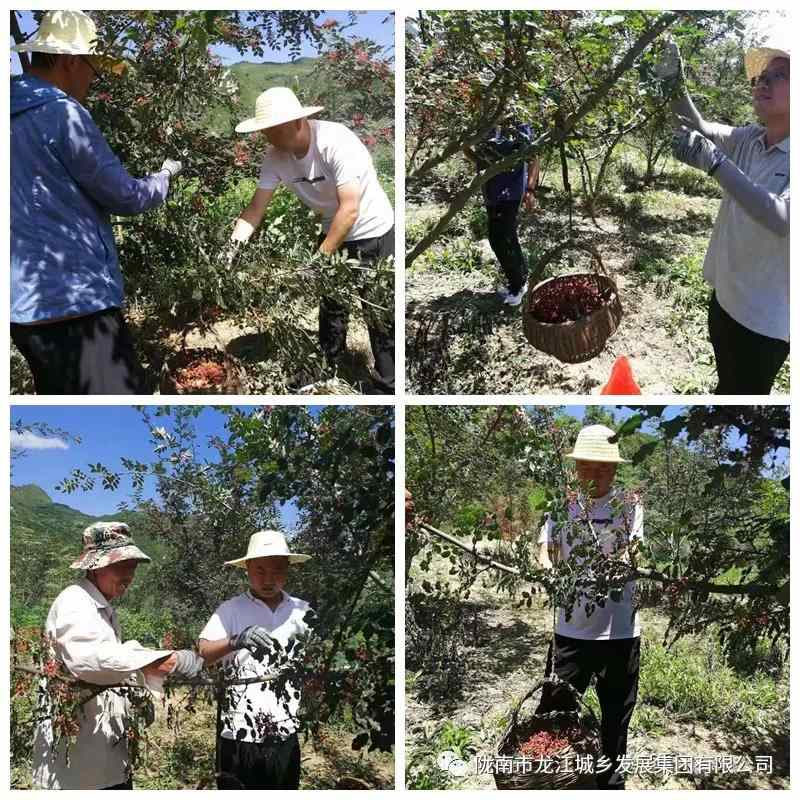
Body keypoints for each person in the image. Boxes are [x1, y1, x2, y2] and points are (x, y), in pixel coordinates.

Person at [10, 10, 183, 395]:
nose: (95, 76)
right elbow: (126, 196)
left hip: (23, 309)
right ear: (71, 61)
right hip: (78, 304)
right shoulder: (62, 114)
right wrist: (165, 176)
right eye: (93, 65)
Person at [228, 86, 395, 393]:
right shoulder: (275, 157)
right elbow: (255, 209)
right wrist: (232, 248)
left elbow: (351, 208)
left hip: (372, 229)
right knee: (332, 304)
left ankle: (388, 384)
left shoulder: (335, 141)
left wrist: (317, 261)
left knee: (379, 310)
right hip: (334, 226)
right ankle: (327, 365)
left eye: (274, 130)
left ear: (296, 122)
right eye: (265, 131)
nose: (269, 137)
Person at [656, 39, 789, 394]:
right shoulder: (750, 138)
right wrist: (673, 84)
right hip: (725, 299)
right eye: (761, 77)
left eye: (779, 76)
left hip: (764, 322)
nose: (762, 83)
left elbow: (782, 218)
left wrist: (715, 163)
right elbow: (696, 126)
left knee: (744, 395)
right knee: (726, 385)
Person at [32, 522, 205, 789]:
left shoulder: (102, 609)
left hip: (104, 759)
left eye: (132, 567)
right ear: (95, 566)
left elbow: (112, 656)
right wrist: (164, 660)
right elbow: (91, 660)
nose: (128, 576)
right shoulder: (74, 602)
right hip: (78, 770)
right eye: (120, 566)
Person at [536, 425, 643, 790]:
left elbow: (635, 551)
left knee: (616, 714)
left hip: (620, 630)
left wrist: (617, 569)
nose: (595, 473)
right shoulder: (560, 506)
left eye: (604, 466)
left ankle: (609, 780)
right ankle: (555, 777)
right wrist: (550, 573)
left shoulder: (629, 506)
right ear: (576, 466)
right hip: (572, 630)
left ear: (614, 468)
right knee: (557, 709)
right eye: (588, 465)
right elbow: (545, 551)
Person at [198, 530, 313, 790]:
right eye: (260, 570)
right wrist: (235, 641)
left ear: (288, 570)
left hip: (285, 730)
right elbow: (203, 653)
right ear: (247, 569)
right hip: (239, 732)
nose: (268, 579)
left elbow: (314, 660)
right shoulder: (231, 610)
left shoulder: (303, 611)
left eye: (277, 571)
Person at [464, 121, 540, 306]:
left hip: (510, 192)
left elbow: (534, 157)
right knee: (504, 237)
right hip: (491, 190)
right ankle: (520, 282)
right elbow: (471, 150)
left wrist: (530, 189)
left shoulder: (519, 123)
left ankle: (518, 286)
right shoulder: (486, 121)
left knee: (500, 238)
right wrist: (484, 166)